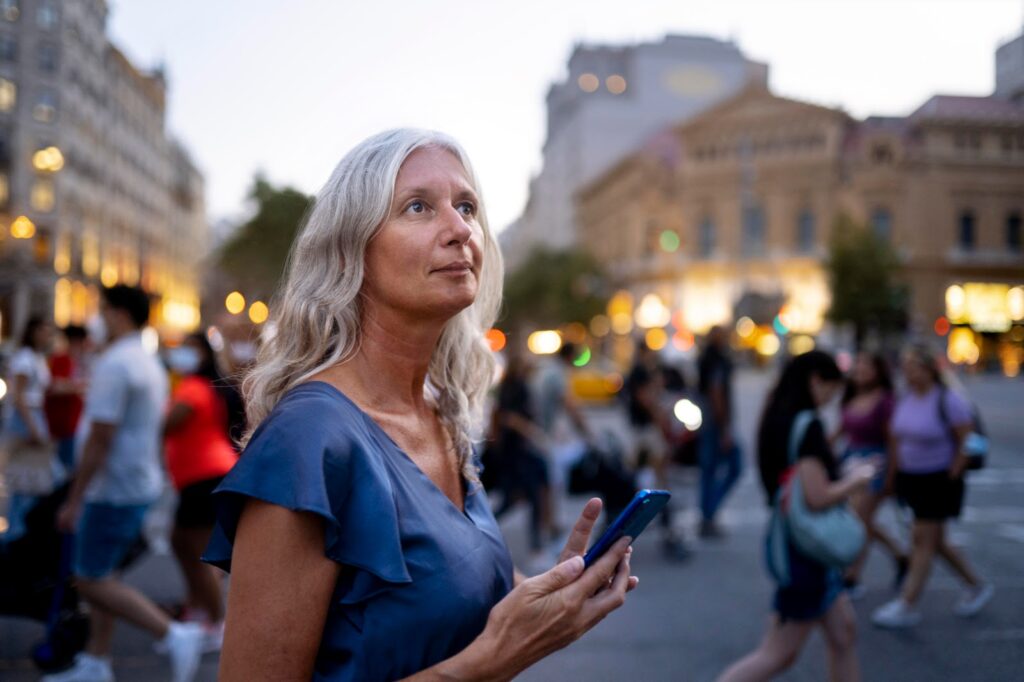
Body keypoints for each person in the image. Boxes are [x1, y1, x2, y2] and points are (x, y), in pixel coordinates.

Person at [203, 129, 637, 681]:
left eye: (466, 207)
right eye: (417, 207)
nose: (460, 230)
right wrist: (495, 658)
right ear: (349, 249)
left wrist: (552, 600)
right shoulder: (310, 439)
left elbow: (443, 601)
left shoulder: (442, 412)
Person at [49, 285, 204, 682]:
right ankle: (96, 661)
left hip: (112, 488)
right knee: (104, 574)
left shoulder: (117, 364)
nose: (98, 319)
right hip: (133, 483)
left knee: (89, 579)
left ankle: (172, 633)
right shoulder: (144, 360)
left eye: (102, 311)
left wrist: (75, 497)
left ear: (118, 314)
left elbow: (101, 436)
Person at [719, 351, 875, 682]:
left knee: (843, 634)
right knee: (779, 653)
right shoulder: (807, 425)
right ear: (816, 381)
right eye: (832, 388)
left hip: (797, 541)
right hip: (807, 551)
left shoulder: (777, 413)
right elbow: (818, 497)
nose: (833, 397)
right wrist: (856, 479)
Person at [871, 345, 993, 629]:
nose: (908, 371)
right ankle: (976, 585)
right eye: (906, 365)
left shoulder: (948, 400)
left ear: (929, 369)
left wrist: (954, 470)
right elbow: (898, 438)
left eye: (914, 365)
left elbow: (969, 439)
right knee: (935, 541)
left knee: (922, 540)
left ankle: (907, 603)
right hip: (912, 478)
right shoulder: (907, 398)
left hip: (939, 480)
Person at [163, 332, 240, 650]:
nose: (184, 353)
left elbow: (168, 423)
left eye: (191, 348)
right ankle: (199, 609)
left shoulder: (194, 388)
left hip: (204, 477)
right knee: (182, 542)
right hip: (204, 476)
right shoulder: (203, 385)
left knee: (198, 553)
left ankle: (219, 622)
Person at [835, 351, 907, 598]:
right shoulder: (851, 396)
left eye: (867, 366)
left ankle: (852, 575)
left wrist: (891, 475)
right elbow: (840, 431)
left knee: (858, 521)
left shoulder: (885, 400)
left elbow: (893, 441)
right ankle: (899, 555)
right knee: (861, 521)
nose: (861, 370)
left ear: (878, 371)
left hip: (875, 463)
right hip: (851, 462)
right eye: (859, 365)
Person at [625, 340, 689, 560]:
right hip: (646, 433)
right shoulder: (640, 371)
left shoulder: (640, 371)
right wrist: (660, 420)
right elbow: (645, 399)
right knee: (657, 483)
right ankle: (667, 531)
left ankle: (662, 528)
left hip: (642, 432)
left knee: (648, 481)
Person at [493, 346, 555, 572]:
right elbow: (508, 418)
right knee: (527, 497)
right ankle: (537, 548)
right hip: (517, 451)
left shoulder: (516, 385)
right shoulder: (515, 386)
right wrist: (533, 432)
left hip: (519, 450)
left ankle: (541, 540)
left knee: (519, 497)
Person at [536, 342, 593, 523]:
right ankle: (552, 522)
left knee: (548, 481)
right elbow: (569, 404)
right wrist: (587, 431)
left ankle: (549, 521)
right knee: (555, 480)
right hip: (545, 433)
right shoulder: (557, 374)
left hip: (540, 430)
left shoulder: (547, 369)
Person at [697, 325, 742, 538]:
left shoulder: (708, 359)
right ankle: (708, 513)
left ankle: (707, 514)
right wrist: (725, 428)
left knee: (709, 471)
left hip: (709, 423)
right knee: (731, 466)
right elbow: (716, 394)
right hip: (715, 424)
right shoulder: (716, 361)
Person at [2, 317, 54, 472]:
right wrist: (32, 427)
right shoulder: (25, 358)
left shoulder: (37, 357)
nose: (47, 337)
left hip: (36, 412)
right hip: (26, 414)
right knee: (24, 468)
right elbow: (19, 395)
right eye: (44, 332)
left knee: (34, 466)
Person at [45, 325, 90, 471]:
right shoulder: (61, 360)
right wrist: (78, 387)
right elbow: (54, 386)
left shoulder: (78, 362)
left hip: (73, 421)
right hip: (62, 422)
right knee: (64, 466)